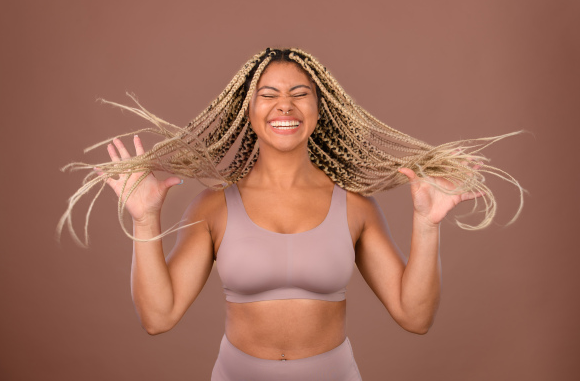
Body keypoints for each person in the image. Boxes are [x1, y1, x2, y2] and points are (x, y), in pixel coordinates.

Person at [59, 48, 523, 380]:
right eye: (268, 94)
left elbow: (415, 316)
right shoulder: (215, 207)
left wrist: (426, 223)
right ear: (249, 111)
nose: (285, 104)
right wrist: (145, 220)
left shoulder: (356, 206)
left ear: (320, 110)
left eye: (300, 93)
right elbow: (158, 318)